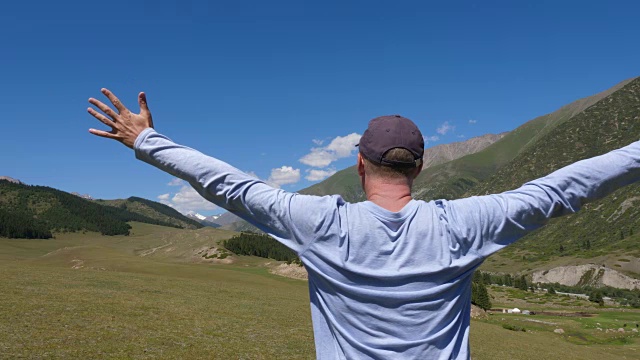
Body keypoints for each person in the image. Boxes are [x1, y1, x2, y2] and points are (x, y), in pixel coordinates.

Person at [88, 88, 640, 359]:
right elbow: (562, 189)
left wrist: (145, 140)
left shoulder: (318, 224)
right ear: (420, 167)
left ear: (358, 164)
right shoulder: (466, 225)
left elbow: (231, 186)